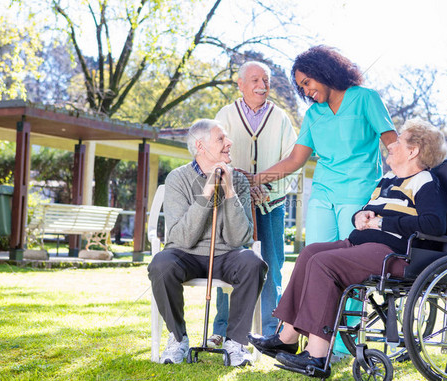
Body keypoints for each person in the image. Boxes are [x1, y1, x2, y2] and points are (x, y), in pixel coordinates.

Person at [248, 118, 447, 375]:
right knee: (310, 253)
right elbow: (368, 212)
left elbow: (433, 224)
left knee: (324, 263)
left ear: (413, 151)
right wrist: (360, 217)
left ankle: (317, 355)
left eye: (399, 141)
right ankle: (287, 337)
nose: (391, 144)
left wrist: (382, 222)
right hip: (363, 246)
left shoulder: (425, 182)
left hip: (395, 254)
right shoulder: (387, 180)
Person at [249, 45, 397, 355]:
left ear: (326, 71)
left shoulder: (365, 98)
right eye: (301, 86)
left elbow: (391, 143)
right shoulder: (313, 114)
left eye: (308, 82)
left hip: (357, 194)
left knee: (349, 267)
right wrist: (256, 179)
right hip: (323, 194)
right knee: (314, 262)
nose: (306, 90)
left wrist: (406, 182)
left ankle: (342, 344)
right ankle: (302, 336)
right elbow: (295, 159)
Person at [147, 119, 268, 366]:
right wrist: (206, 194)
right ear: (201, 146)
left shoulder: (240, 181)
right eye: (221, 139)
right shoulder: (177, 179)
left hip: (227, 256)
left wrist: (230, 191)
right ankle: (178, 339)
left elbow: (239, 239)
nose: (229, 143)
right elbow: (182, 238)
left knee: (252, 262)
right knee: (161, 264)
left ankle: (235, 343)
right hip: (185, 255)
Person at [207, 61, 299, 345]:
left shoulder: (281, 117)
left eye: (266, 80)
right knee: (229, 264)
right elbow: (213, 154)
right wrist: (241, 183)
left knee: (272, 265)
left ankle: (272, 330)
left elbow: (292, 159)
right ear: (241, 84)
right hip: (233, 206)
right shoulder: (225, 115)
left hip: (271, 203)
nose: (262, 85)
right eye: (255, 79)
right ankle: (221, 330)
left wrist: (262, 184)